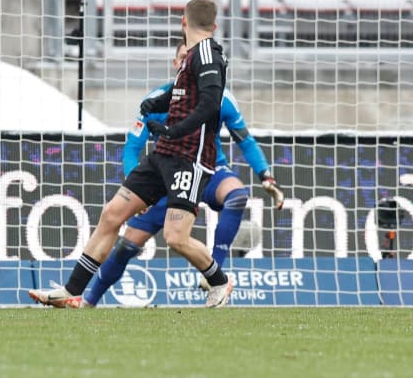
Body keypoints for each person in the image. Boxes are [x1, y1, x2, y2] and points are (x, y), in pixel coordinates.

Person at [29, 0, 234, 308]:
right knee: (112, 214)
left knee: (176, 238)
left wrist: (176, 129)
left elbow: (209, 104)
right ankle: (72, 290)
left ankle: (220, 281)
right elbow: (186, 97)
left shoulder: (207, 53)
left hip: (189, 159)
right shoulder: (191, 56)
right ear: (213, 24)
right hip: (163, 153)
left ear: (183, 20)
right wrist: (160, 105)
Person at [80, 40, 285, 307]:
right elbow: (132, 149)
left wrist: (265, 175)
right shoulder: (157, 100)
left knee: (236, 195)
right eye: (183, 59)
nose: (189, 65)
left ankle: (214, 277)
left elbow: (244, 139)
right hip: (166, 179)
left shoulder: (220, 99)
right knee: (127, 245)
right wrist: (136, 189)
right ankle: (88, 301)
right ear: (177, 65)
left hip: (207, 172)